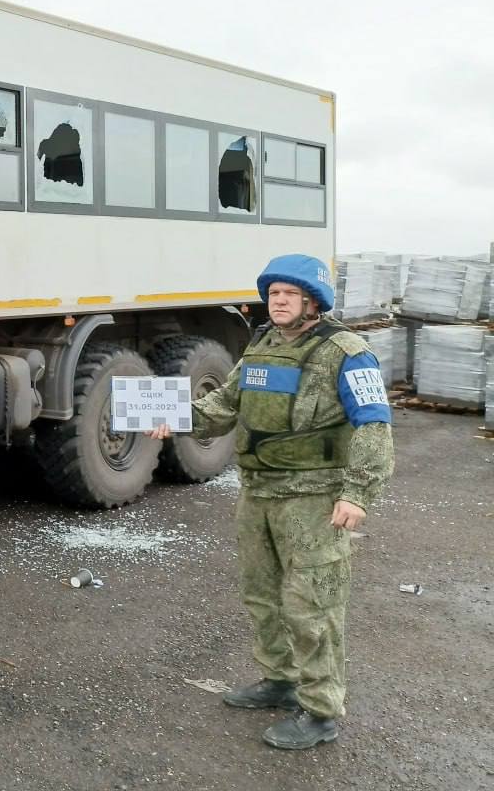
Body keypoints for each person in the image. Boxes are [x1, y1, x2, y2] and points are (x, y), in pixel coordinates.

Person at [147, 253, 394, 749]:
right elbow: (225, 404)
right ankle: (279, 680)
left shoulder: (346, 352)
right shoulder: (260, 346)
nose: (278, 302)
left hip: (313, 499)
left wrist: (358, 494)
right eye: (273, 294)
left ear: (312, 300)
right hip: (258, 492)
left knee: (312, 605)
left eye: (288, 295)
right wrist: (178, 417)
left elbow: (373, 423)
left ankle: (321, 710)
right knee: (262, 596)